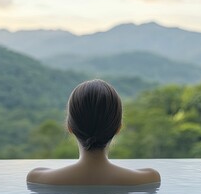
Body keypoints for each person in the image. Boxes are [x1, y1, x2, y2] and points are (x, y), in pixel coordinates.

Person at [27, 79, 160, 185]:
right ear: (118, 128)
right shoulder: (150, 178)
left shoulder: (36, 178)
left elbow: (36, 174)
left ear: (69, 127)